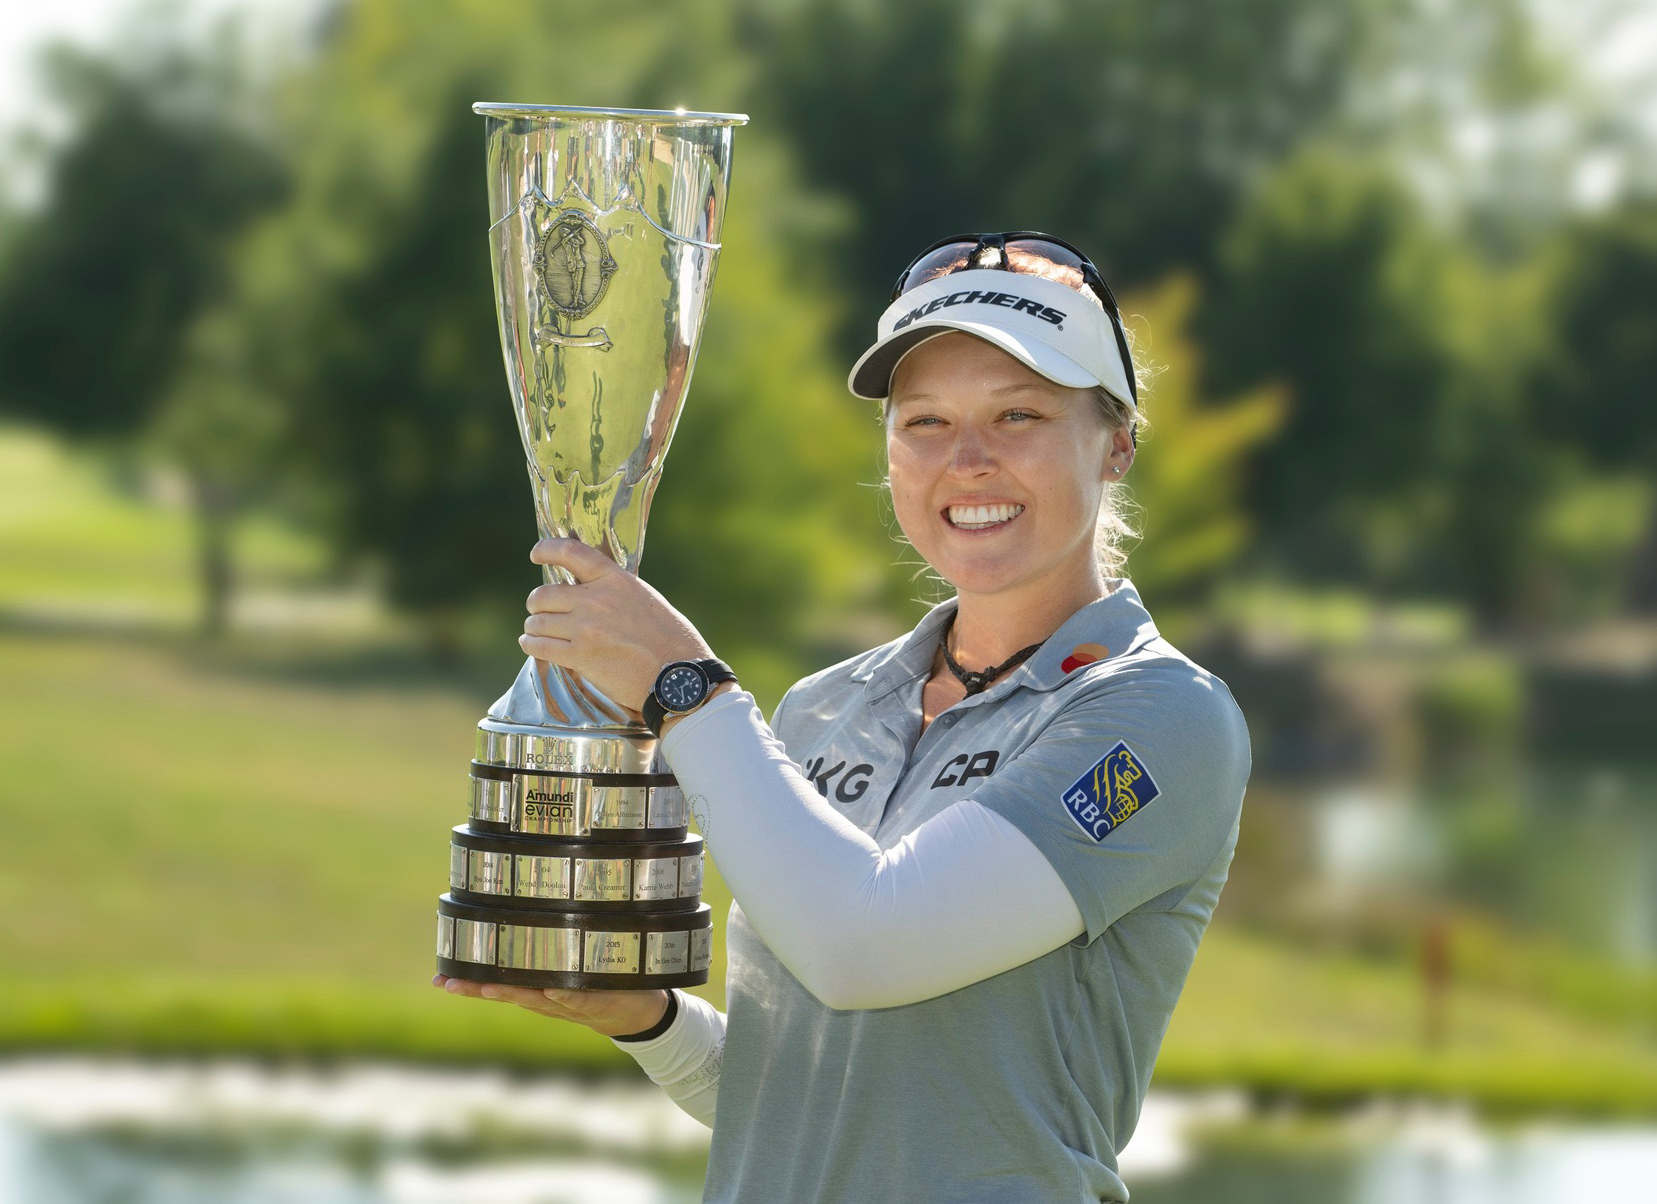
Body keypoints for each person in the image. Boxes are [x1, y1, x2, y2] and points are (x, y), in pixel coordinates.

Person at [435, 232, 1250, 1203]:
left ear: (1115, 442)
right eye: (924, 423)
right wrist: (645, 1019)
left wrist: (684, 687)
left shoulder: (1161, 721)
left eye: (1018, 414)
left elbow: (864, 945)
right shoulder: (825, 706)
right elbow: (811, 1096)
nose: (969, 461)